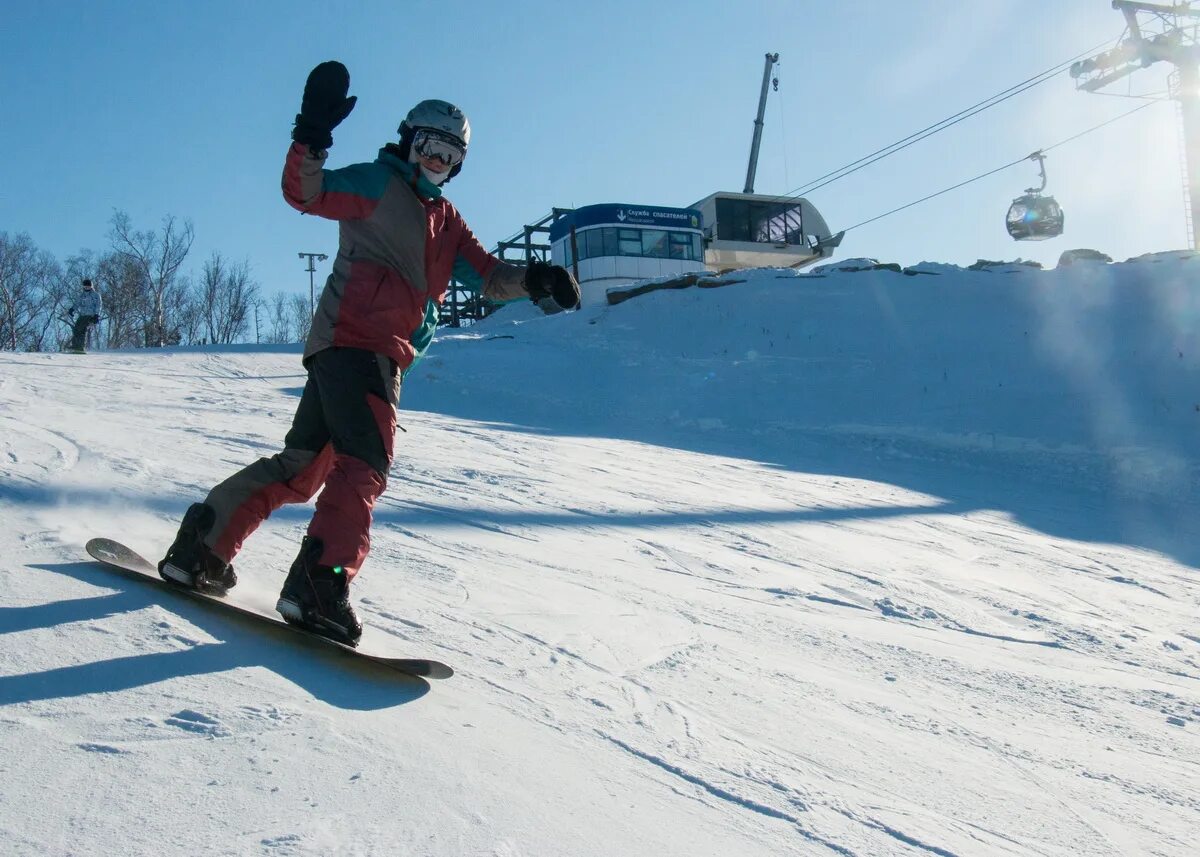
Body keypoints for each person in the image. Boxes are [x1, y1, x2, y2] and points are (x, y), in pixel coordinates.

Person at [157, 61, 580, 646]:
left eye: (451, 159)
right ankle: (318, 585)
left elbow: (486, 276)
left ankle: (202, 547)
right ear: (409, 142)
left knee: (303, 467)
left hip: (359, 351)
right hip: (361, 344)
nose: (438, 165)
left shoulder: (445, 220)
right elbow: (304, 192)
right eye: (431, 150)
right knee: (366, 466)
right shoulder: (378, 184)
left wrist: (538, 279)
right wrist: (311, 135)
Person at [68, 279, 102, 352]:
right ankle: (75, 346)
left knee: (82, 329)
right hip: (82, 314)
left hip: (90, 315)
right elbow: (77, 303)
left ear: (91, 287)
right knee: (76, 328)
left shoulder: (95, 295)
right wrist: (72, 309)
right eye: (85, 287)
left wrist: (97, 315)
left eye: (88, 287)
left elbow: (98, 305)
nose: (87, 288)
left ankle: (80, 347)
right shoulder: (82, 295)